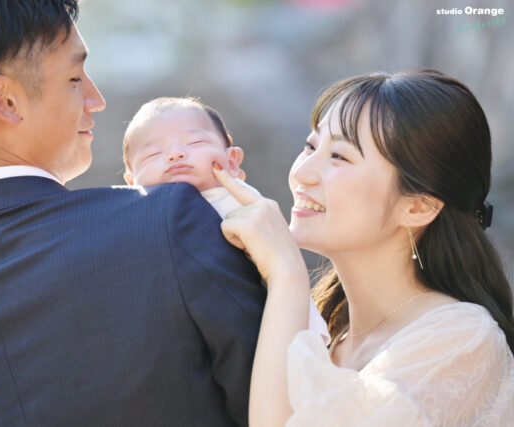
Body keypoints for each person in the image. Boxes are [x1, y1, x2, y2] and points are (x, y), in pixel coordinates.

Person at [0, 1, 265, 425]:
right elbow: (279, 403)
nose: (95, 100)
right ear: (4, 99)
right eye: (75, 78)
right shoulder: (170, 219)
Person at [210, 69, 514, 426]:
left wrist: (287, 273)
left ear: (418, 206)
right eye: (310, 146)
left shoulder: (460, 339)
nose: (302, 173)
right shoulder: (323, 327)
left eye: (339, 156)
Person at [123, 96, 328, 338]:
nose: (175, 154)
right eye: (153, 154)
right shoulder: (134, 224)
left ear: (231, 161)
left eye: (195, 142)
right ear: (131, 183)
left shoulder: (242, 204)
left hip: (266, 330)